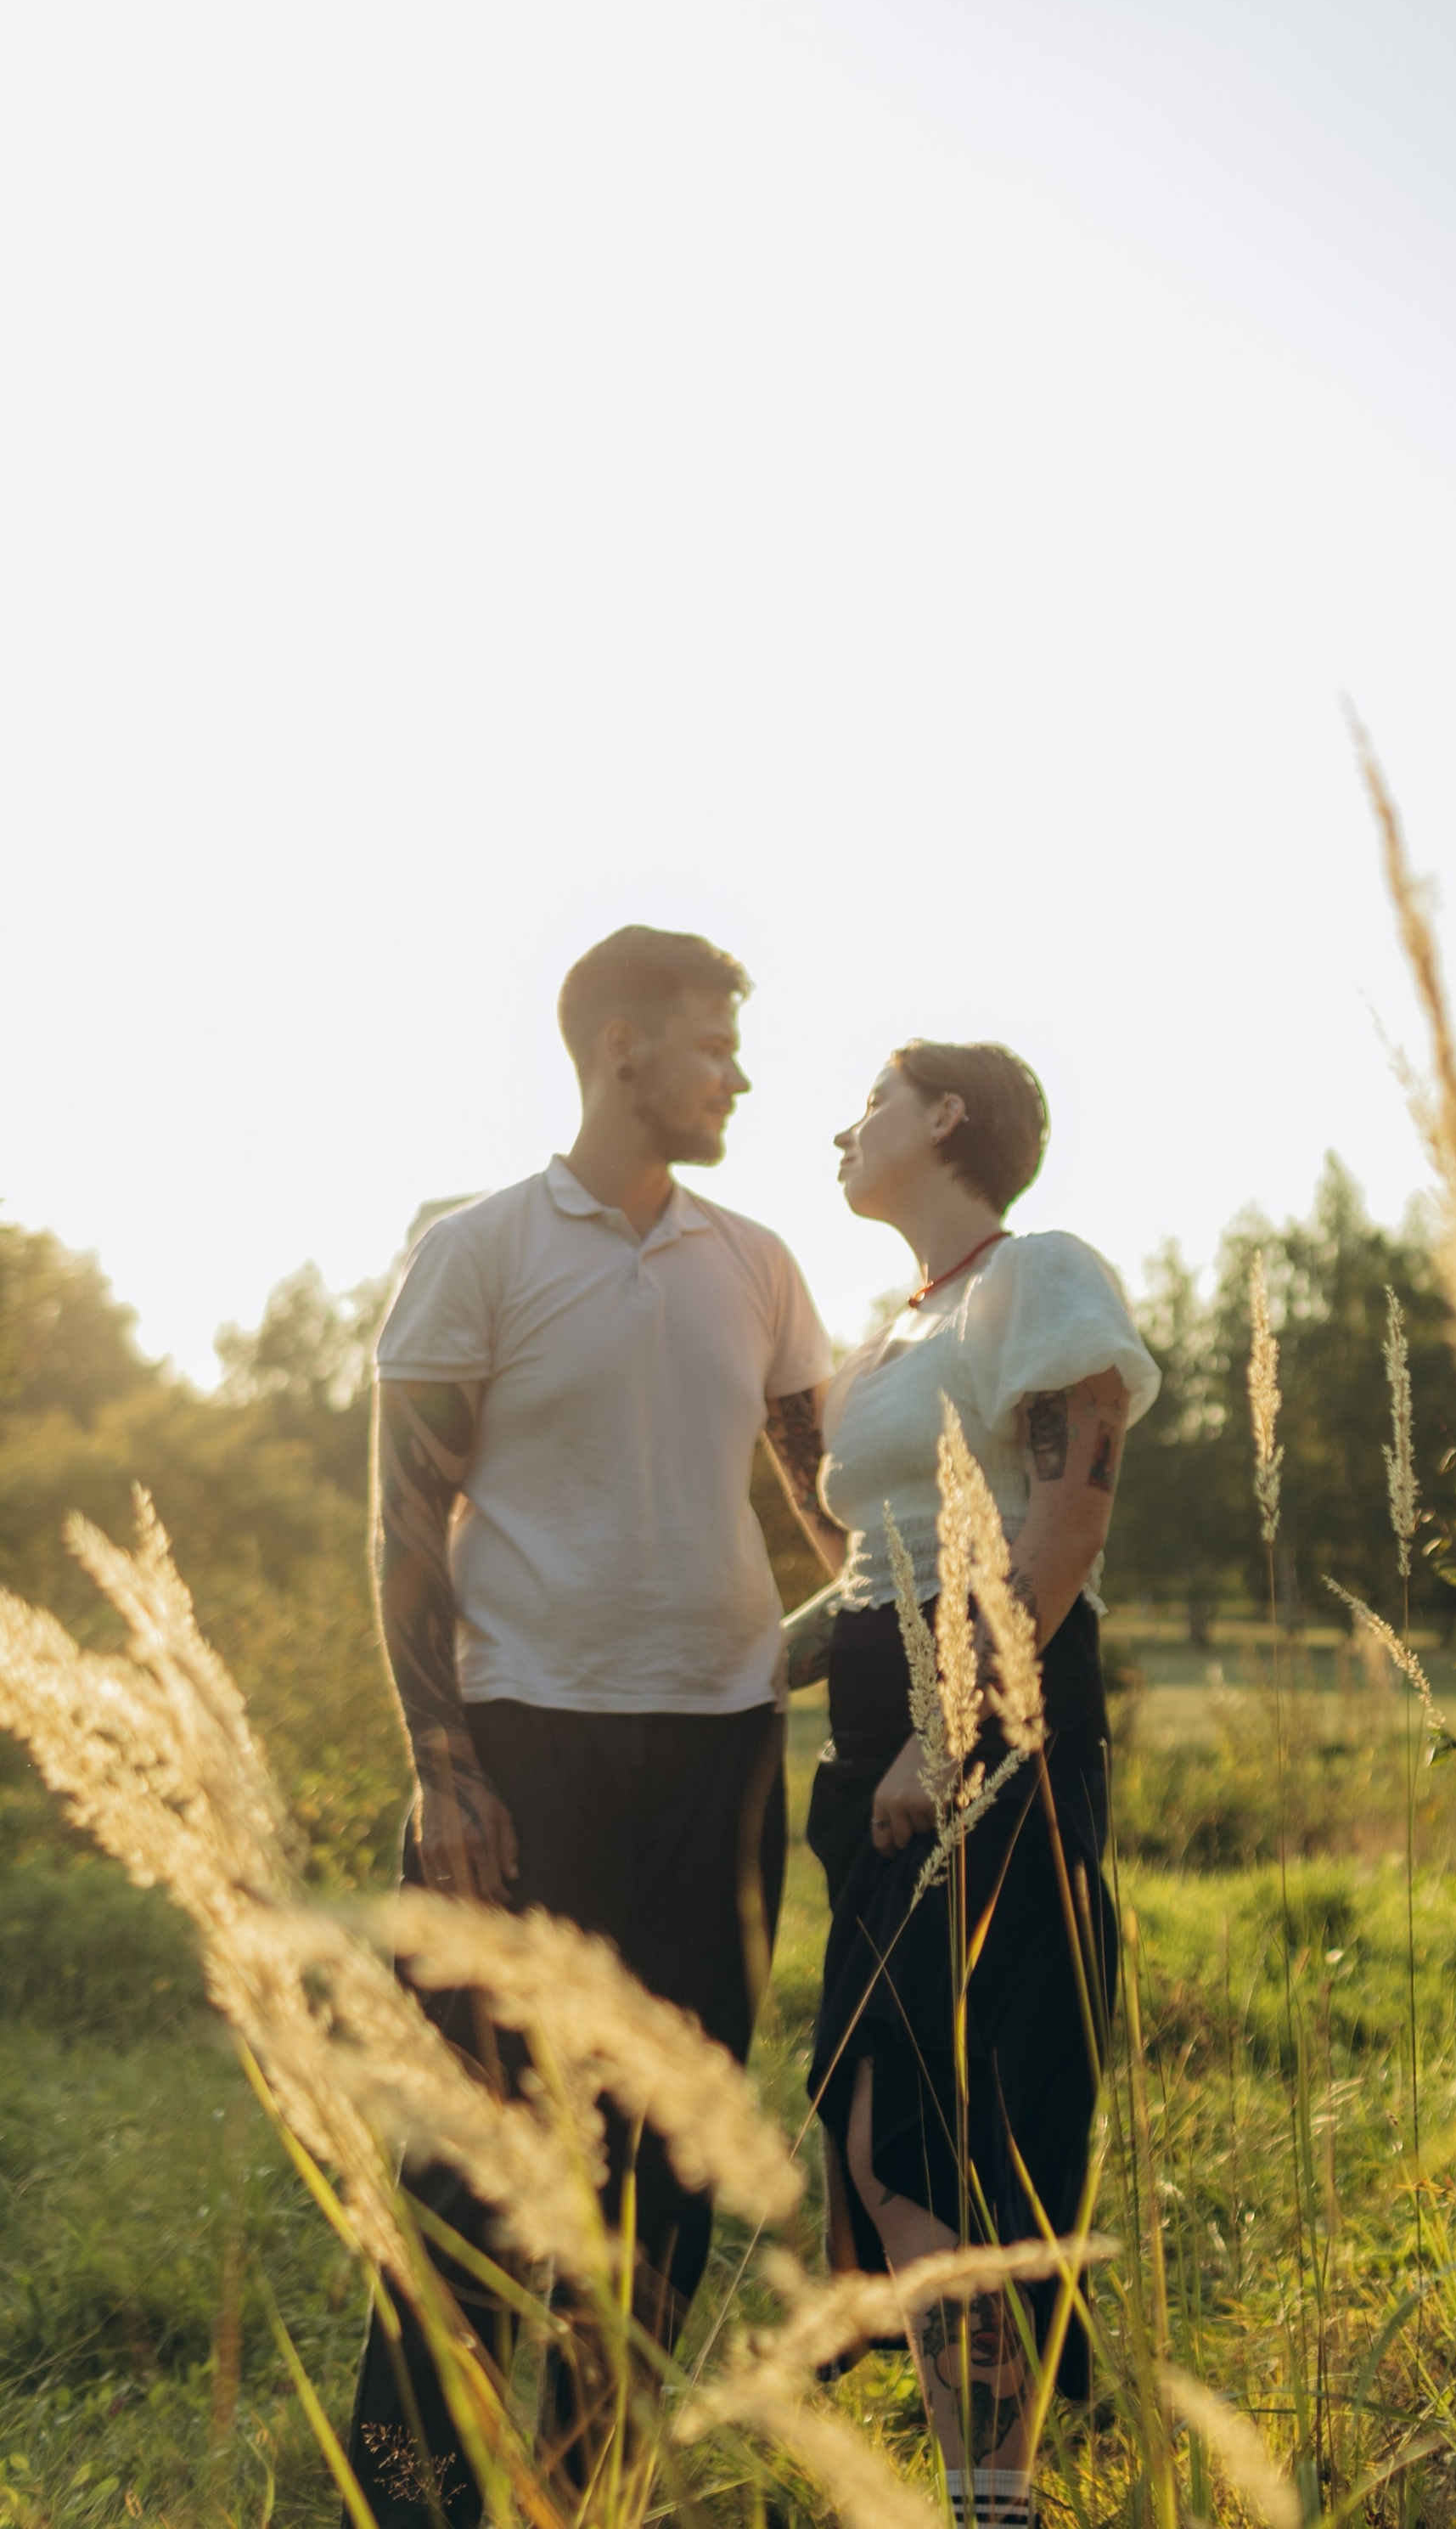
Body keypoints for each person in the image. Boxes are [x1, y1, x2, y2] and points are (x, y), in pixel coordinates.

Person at [347, 926, 834, 2528]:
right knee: (472, 2151)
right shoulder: (479, 1249)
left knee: (674, 2148)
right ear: (623, 1045)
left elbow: (837, 1511)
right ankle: (417, 2499)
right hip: (521, 1745)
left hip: (722, 1752)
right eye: (715, 1047)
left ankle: (590, 2490)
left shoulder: (758, 1263)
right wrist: (442, 1766)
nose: (740, 1077)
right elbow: (404, 1524)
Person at [769, 1041, 1160, 2529]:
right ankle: (989, 2487)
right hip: (874, 1748)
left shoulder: (1036, 1275)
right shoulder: (897, 1331)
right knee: (879, 2114)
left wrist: (951, 1741)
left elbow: (1067, 1519)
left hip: (992, 1735)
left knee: (942, 2117)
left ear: (945, 1117)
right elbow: (876, 1569)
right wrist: (743, 1666)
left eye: (869, 1102)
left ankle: (994, 2496)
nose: (841, 1130)